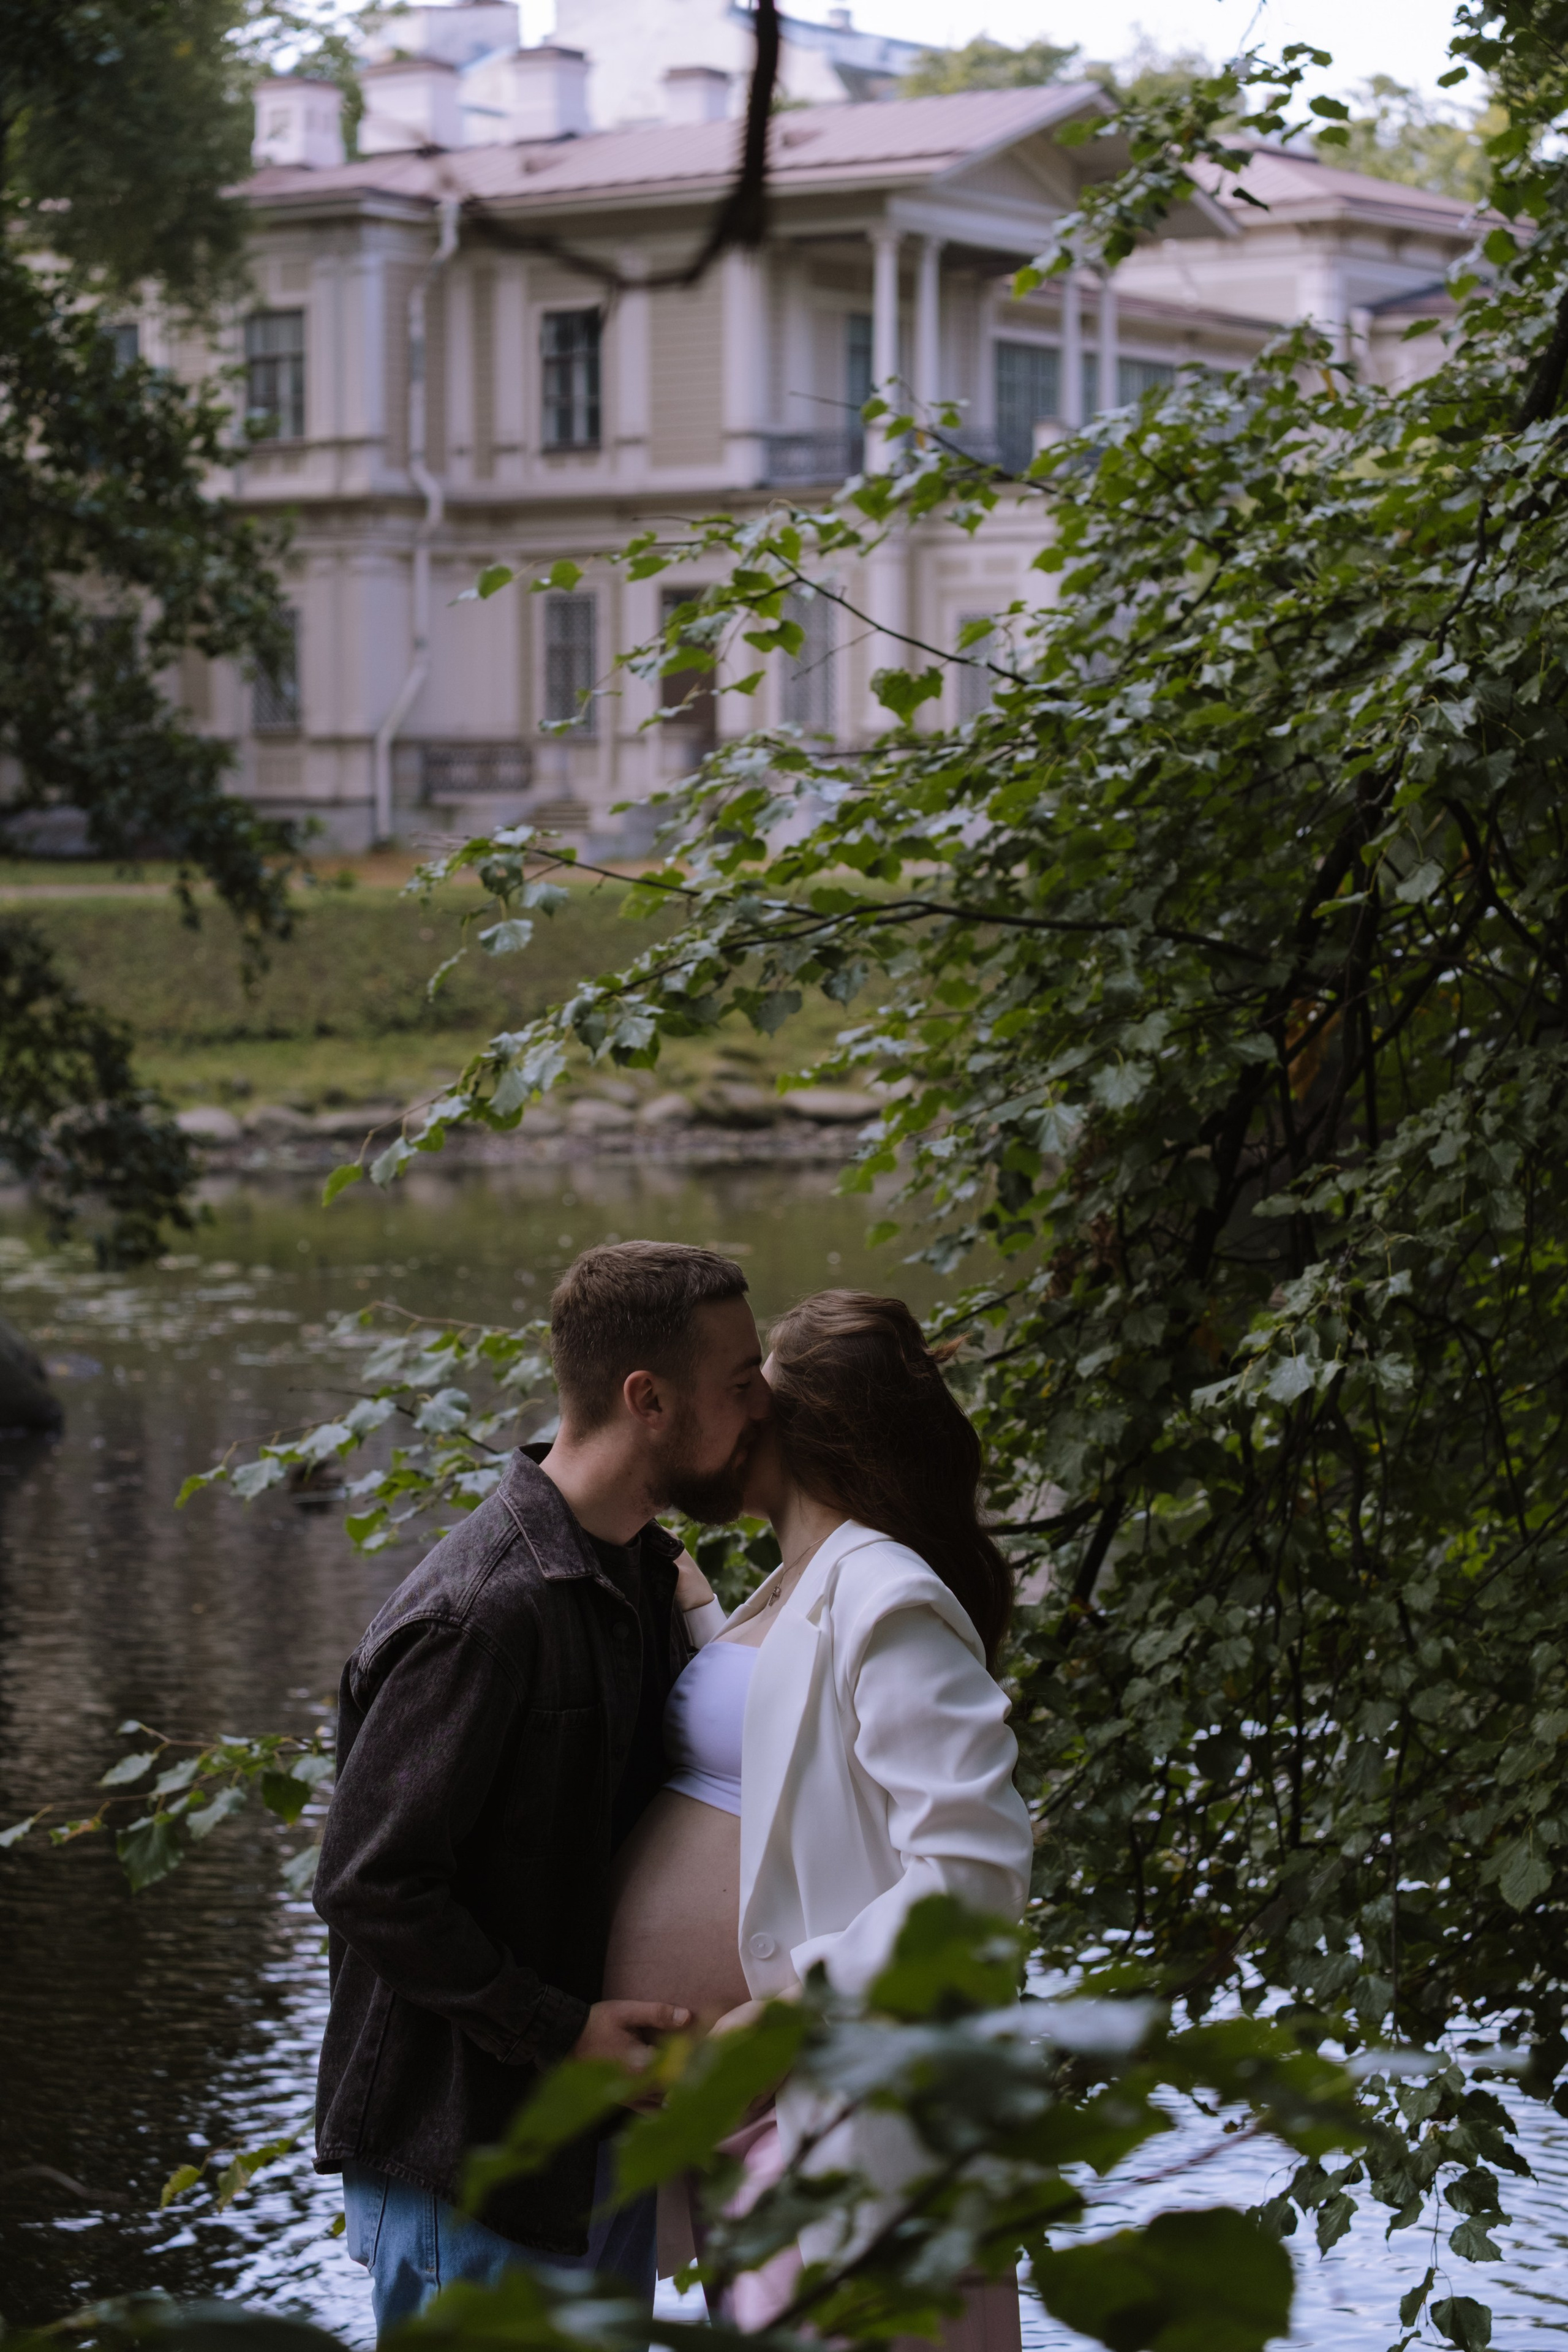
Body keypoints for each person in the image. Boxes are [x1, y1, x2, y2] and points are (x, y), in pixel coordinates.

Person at [311, 1240, 770, 2339]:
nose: (764, 1410)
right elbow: (371, 1885)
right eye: (742, 1382)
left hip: (588, 2153)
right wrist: (564, 2032)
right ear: (647, 1400)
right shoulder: (481, 1613)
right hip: (474, 2168)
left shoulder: (640, 1572)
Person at [603, 1289, 1034, 2345]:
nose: (724, 1414)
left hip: (830, 2110)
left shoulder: (886, 1595)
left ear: (796, 1422)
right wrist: (692, 1605)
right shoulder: (796, 1582)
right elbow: (777, 1743)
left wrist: (782, 2017)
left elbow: (974, 1877)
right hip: (756, 2124)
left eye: (746, 1391)